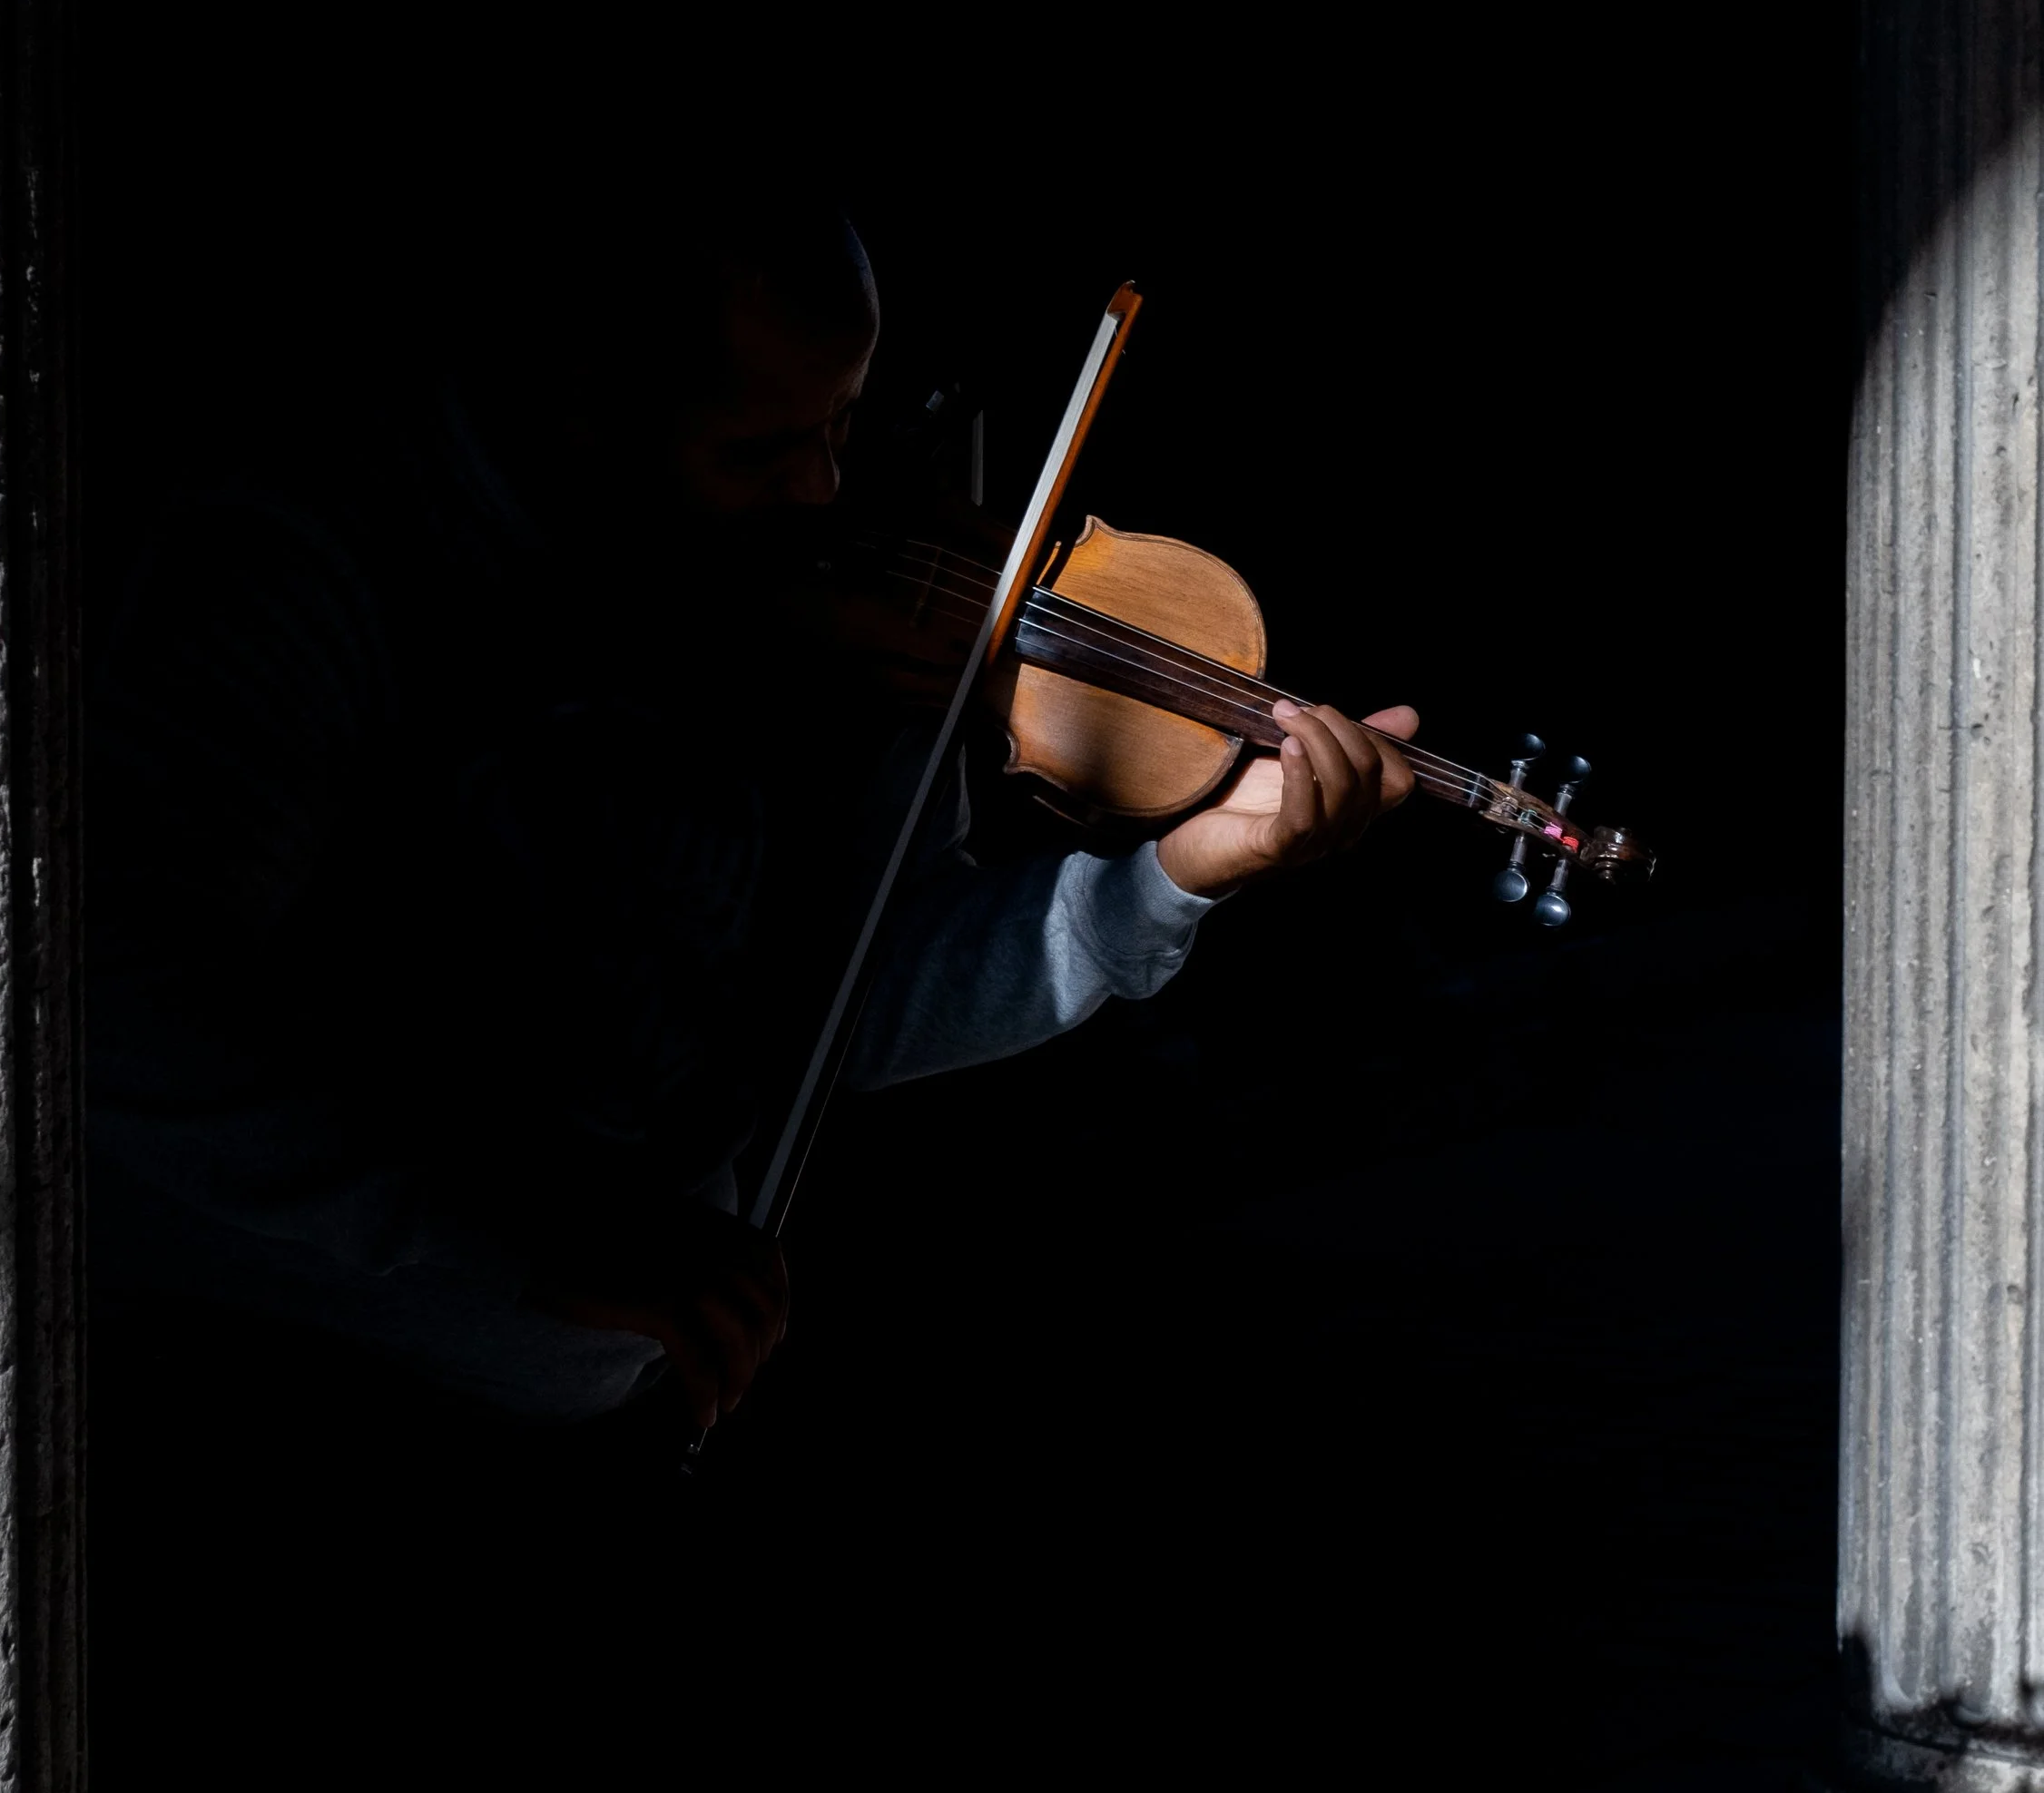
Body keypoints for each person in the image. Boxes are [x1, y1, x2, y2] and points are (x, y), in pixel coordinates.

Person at [85, 187, 1417, 1439]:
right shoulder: (310, 572)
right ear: (580, 403)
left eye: (844, 422)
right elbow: (122, 1000)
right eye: (759, 447)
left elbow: (857, 1005)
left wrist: (1173, 875)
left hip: (602, 1408)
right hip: (243, 1379)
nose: (829, 492)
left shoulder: (802, 620)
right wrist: (515, 1231)